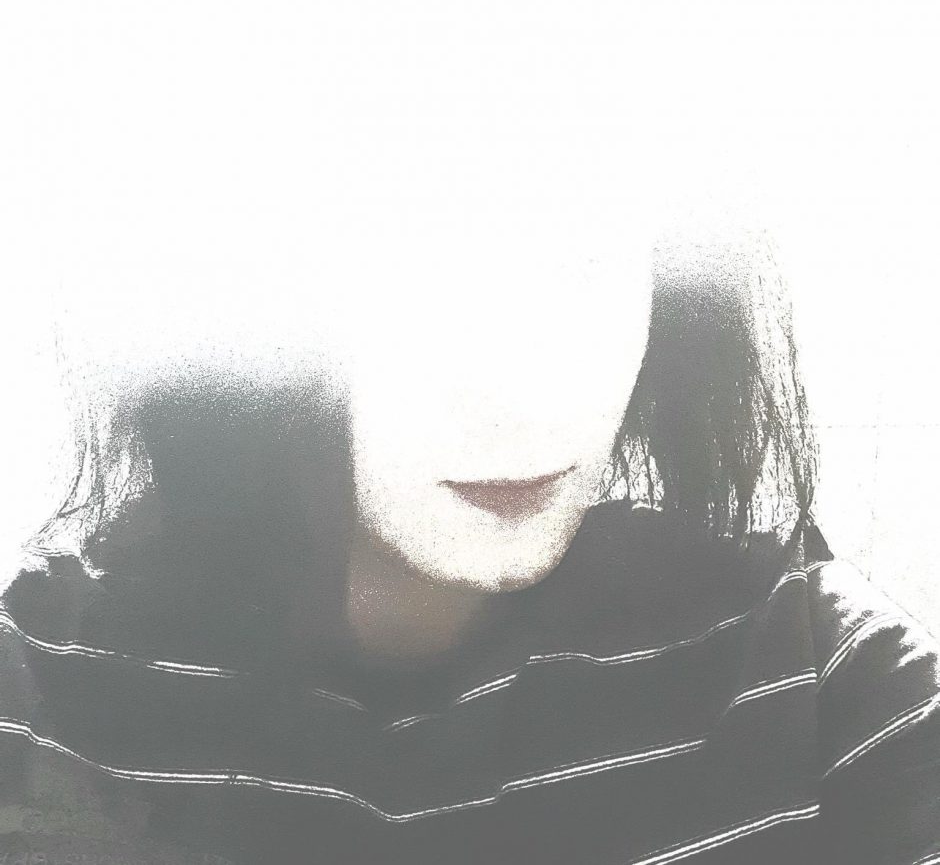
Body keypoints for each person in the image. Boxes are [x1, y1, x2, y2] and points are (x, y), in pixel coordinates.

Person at [0, 239, 937, 865]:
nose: (519, 394)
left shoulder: (821, 674)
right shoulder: (34, 706)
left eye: (579, 264)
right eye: (411, 280)